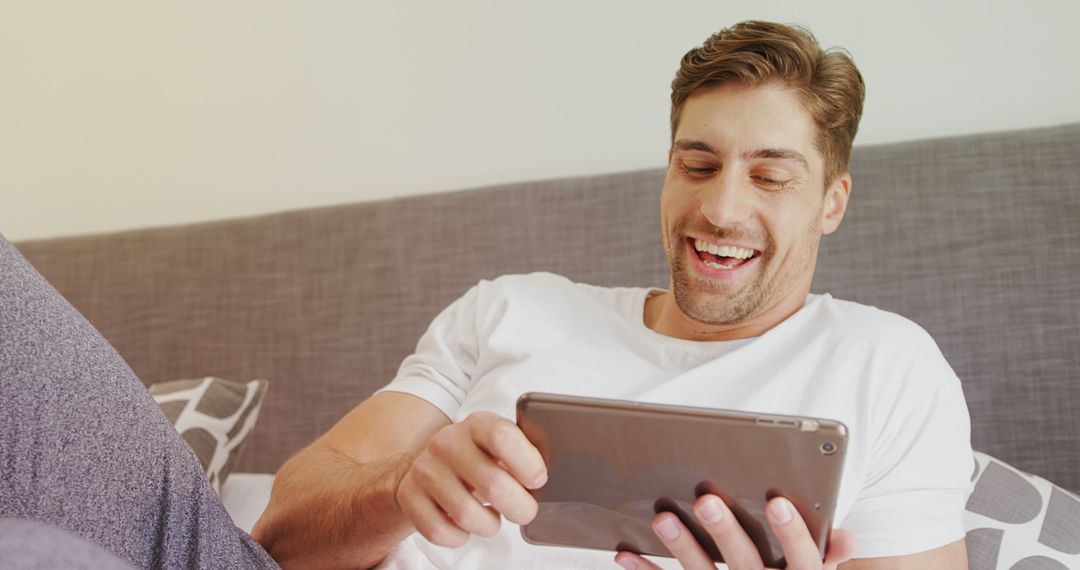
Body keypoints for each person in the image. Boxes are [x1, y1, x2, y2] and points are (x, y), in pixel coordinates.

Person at [252, 20, 974, 570]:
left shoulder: (889, 367)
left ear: (832, 202)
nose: (721, 209)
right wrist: (402, 483)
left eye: (770, 177)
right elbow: (275, 538)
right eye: (698, 164)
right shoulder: (510, 308)